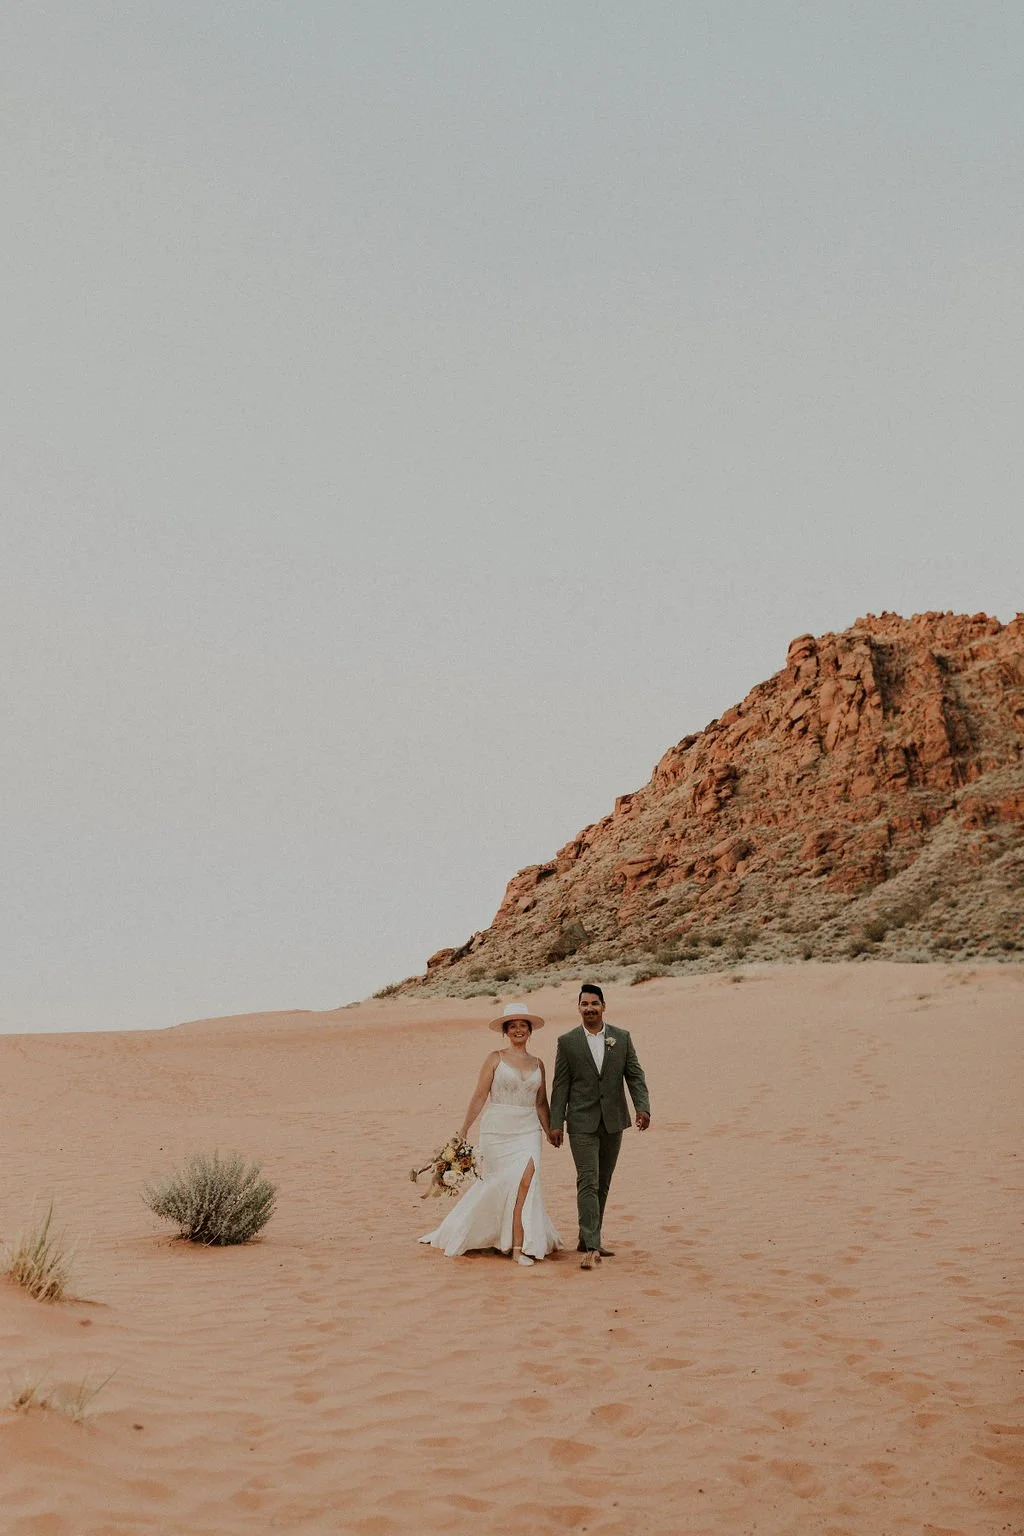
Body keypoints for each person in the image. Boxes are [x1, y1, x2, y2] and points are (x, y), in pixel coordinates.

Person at [419, 1002, 561, 1266]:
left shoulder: (539, 1064)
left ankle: (518, 1248)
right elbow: (480, 1095)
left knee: (526, 1181)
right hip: (497, 1130)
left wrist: (550, 1130)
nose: (518, 1030)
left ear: (530, 1030)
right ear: (505, 1031)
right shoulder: (495, 1058)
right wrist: (463, 1130)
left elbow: (541, 1103)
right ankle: (482, 1233)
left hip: (527, 1129)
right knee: (497, 1184)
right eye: (513, 1026)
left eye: (523, 1025)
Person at [549, 982, 651, 1270]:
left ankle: (586, 1237)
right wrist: (556, 1123)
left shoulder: (621, 1037)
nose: (590, 1008)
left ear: (603, 1006)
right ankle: (592, 1246)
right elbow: (561, 1085)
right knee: (588, 1180)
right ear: (578, 1008)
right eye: (584, 1004)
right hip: (581, 1122)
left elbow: (635, 1076)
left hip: (613, 1121)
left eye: (595, 1003)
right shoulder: (567, 1042)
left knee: (603, 1182)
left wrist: (642, 1107)